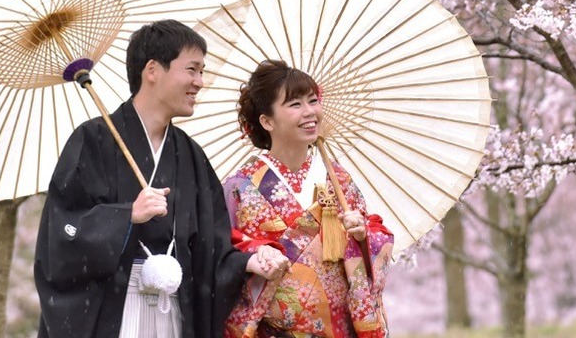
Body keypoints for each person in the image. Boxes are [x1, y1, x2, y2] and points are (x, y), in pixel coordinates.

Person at [34, 20, 288, 338]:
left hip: (174, 314)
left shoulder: (190, 154)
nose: (199, 82)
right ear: (153, 70)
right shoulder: (92, 141)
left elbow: (213, 245)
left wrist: (246, 264)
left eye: (201, 72)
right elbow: (61, 234)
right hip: (114, 313)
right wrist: (125, 215)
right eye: (192, 69)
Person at [222, 59, 393, 338]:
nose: (310, 112)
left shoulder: (338, 180)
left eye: (313, 100)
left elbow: (374, 242)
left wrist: (362, 237)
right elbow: (223, 255)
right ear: (267, 121)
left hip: (336, 329)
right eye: (295, 104)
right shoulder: (239, 187)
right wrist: (256, 253)